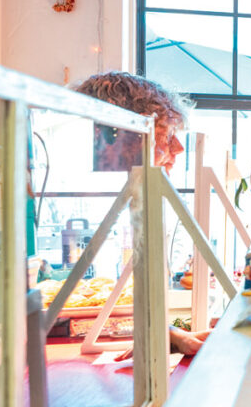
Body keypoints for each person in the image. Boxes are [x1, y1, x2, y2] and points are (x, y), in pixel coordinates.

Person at [75, 71, 209, 359]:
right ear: (127, 138)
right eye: (166, 135)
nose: (178, 148)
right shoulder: (99, 198)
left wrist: (167, 332)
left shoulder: (137, 196)